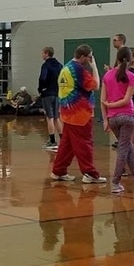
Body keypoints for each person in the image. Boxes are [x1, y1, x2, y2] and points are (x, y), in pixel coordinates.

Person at [101, 46, 134, 194]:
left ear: (117, 58)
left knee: (129, 149)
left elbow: (102, 100)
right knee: (124, 150)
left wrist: (106, 118)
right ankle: (115, 182)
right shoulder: (130, 76)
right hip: (127, 116)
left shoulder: (107, 76)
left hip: (113, 119)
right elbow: (126, 100)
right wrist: (112, 105)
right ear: (130, 59)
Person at [50, 44, 105, 184]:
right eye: (89, 57)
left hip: (67, 113)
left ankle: (58, 170)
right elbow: (96, 85)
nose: (90, 60)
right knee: (84, 144)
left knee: (67, 144)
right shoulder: (78, 70)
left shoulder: (66, 67)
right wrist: (94, 67)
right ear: (82, 57)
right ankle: (90, 173)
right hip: (80, 114)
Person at [38, 46, 63, 150]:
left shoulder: (46, 65)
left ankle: (52, 141)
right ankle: (63, 139)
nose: (41, 55)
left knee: (50, 117)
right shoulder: (59, 65)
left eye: (42, 53)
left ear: (47, 53)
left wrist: (41, 89)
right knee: (57, 118)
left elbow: (43, 78)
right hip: (57, 93)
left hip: (48, 93)